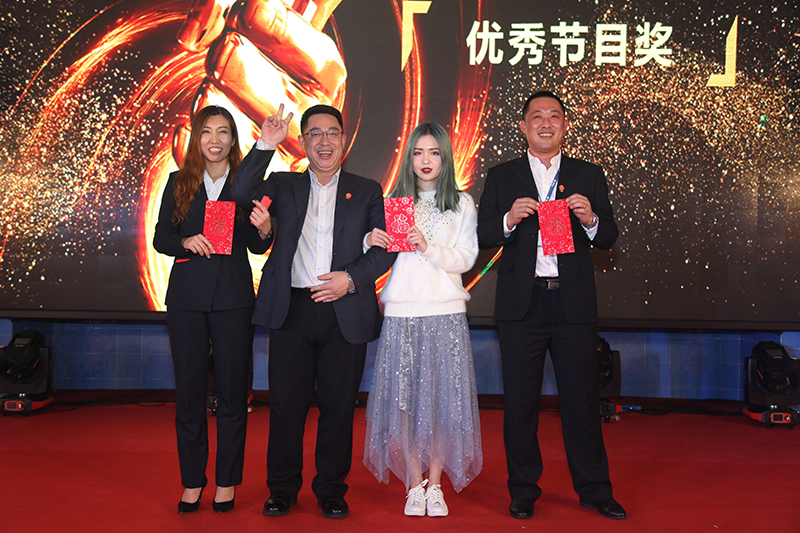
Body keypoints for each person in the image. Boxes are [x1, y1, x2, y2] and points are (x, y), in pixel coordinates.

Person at [231, 104, 396, 519]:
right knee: (286, 407)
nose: (325, 141)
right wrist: (266, 143)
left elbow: (385, 248)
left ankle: (331, 489)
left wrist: (350, 279)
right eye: (315, 133)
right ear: (303, 141)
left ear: (344, 139)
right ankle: (282, 488)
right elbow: (240, 192)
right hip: (293, 309)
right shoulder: (283, 184)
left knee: (338, 408)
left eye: (332, 133)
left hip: (345, 309)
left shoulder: (368, 189)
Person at [477, 91, 625, 520]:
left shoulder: (588, 174)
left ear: (565, 126)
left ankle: (595, 490)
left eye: (554, 116)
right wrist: (508, 219)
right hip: (522, 306)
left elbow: (609, 236)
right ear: (523, 126)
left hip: (572, 303)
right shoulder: (502, 175)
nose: (546, 123)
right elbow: (483, 234)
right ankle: (523, 490)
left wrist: (590, 219)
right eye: (537, 116)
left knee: (582, 403)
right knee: (520, 404)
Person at [153, 105, 272, 514]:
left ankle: (226, 481)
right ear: (196, 138)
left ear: (234, 140)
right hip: (186, 300)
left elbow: (256, 245)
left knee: (232, 395)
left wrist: (265, 229)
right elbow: (161, 237)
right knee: (188, 394)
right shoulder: (178, 182)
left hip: (234, 300)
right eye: (207, 132)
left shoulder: (247, 184)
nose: (215, 140)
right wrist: (184, 241)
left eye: (223, 132)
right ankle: (192, 482)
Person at [362, 123, 482, 517]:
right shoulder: (394, 202)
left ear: (445, 156)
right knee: (405, 402)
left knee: (443, 401)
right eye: (418, 152)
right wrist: (369, 240)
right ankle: (414, 486)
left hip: (445, 312)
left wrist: (429, 247)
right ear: (409, 158)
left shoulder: (461, 203)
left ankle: (436, 485)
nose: (426, 160)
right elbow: (381, 253)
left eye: (433, 152)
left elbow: (466, 258)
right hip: (402, 311)